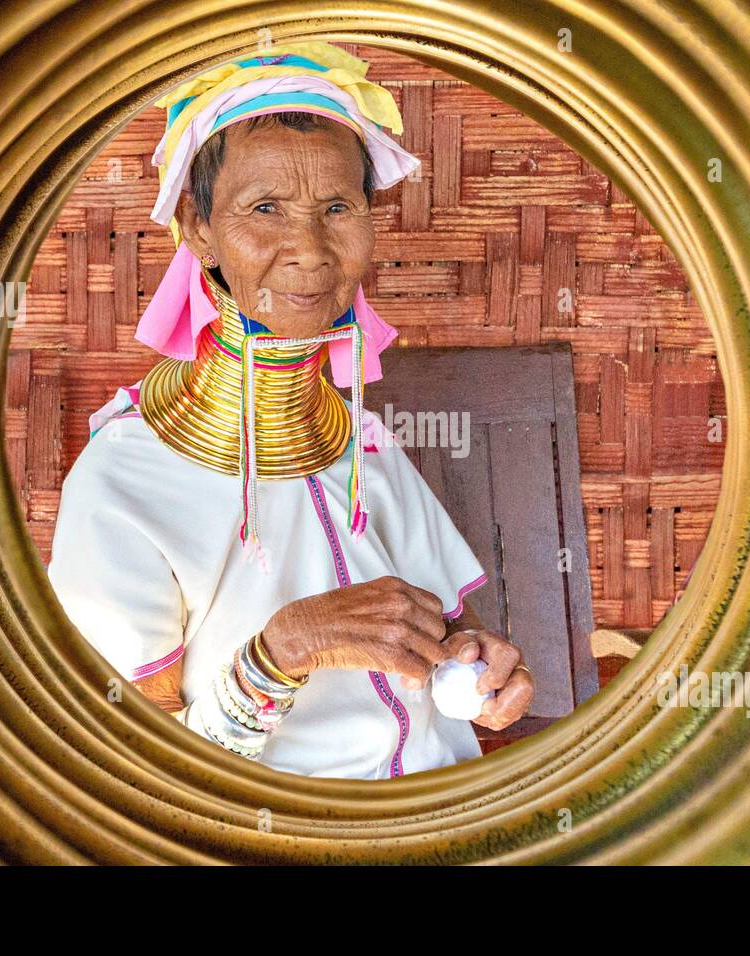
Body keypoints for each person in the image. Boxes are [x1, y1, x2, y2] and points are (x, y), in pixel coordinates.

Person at [47, 41, 533, 779]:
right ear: (198, 225)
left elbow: (435, 633)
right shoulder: (120, 483)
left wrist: (477, 663)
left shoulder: (361, 442)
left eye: (337, 207)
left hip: (442, 809)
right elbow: (136, 778)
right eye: (265, 208)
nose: (308, 249)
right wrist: (285, 650)